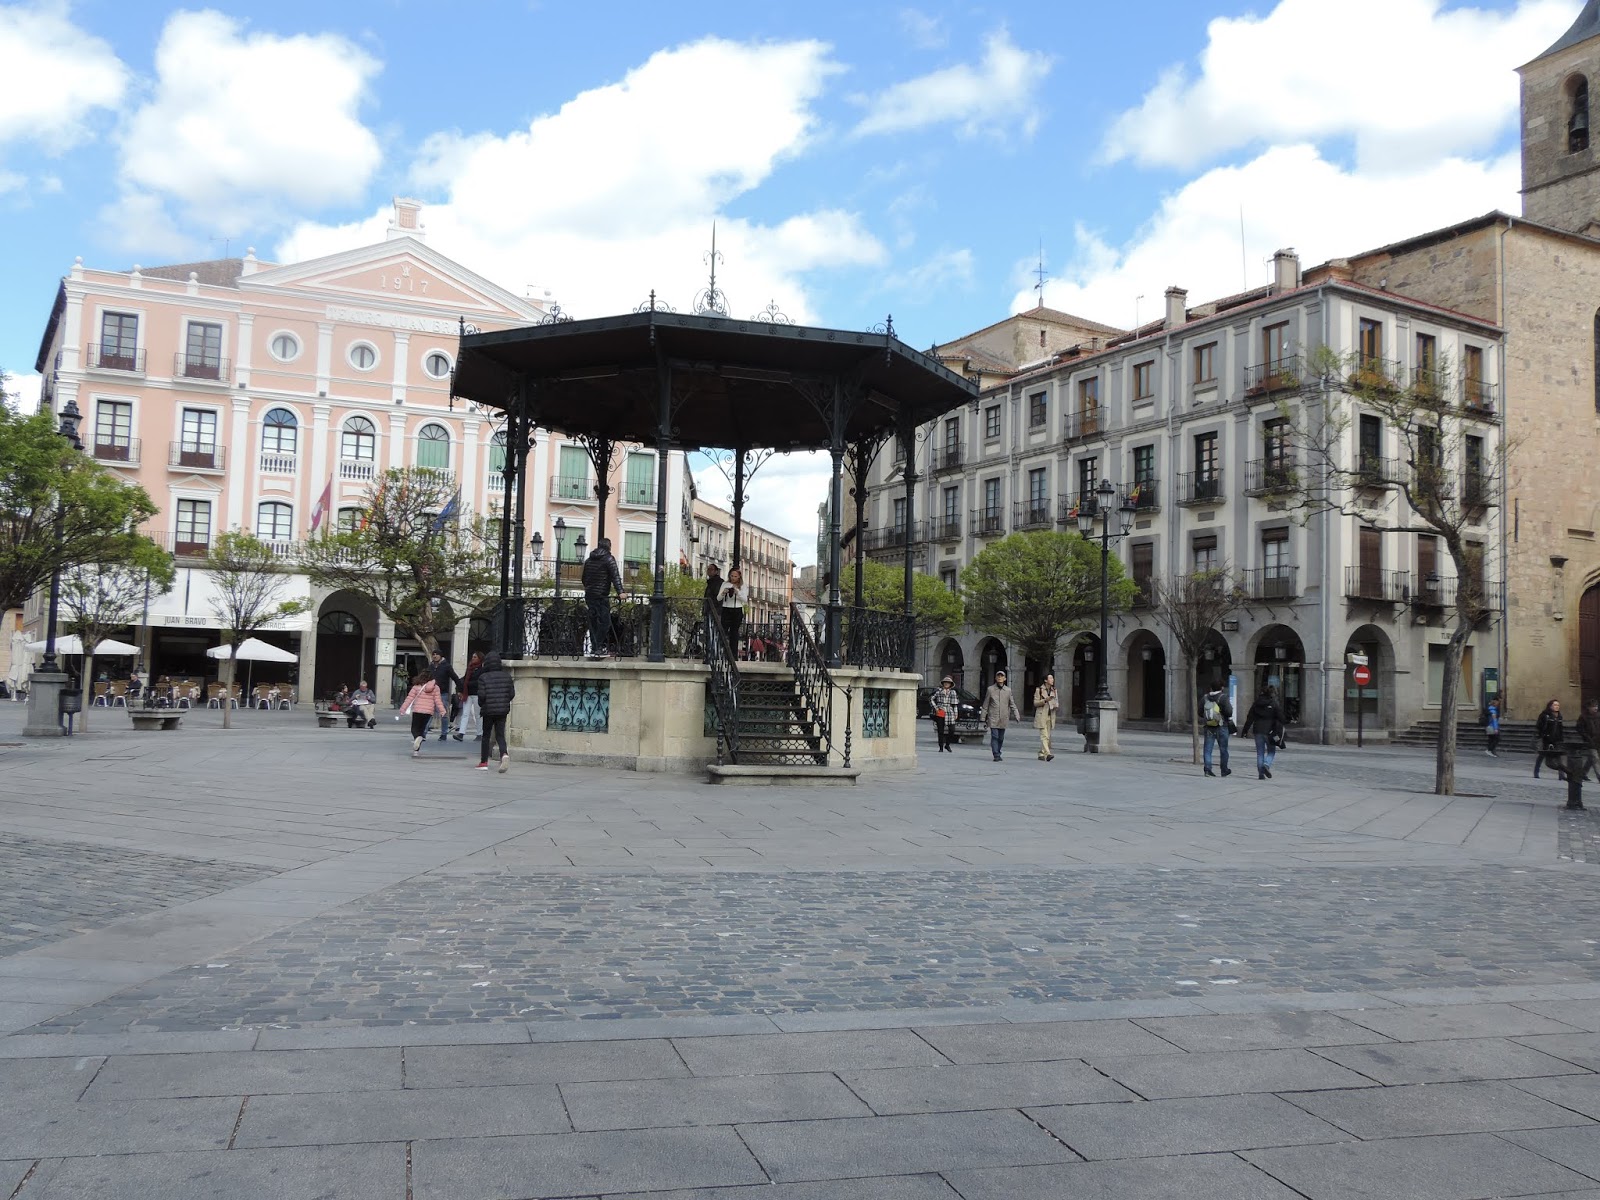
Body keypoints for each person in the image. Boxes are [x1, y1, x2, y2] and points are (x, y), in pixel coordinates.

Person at [580, 537, 625, 659]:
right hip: (601, 596)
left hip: (589, 595)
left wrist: (589, 588)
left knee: (593, 623)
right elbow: (615, 576)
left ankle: (595, 648)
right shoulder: (609, 559)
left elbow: (584, 578)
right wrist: (620, 592)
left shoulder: (589, 560)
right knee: (605, 622)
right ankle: (597, 647)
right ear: (609, 546)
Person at [474, 651, 516, 773]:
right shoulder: (507, 676)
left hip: (488, 710)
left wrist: (482, 704)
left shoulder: (483, 677)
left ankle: (483, 762)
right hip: (502, 710)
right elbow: (512, 694)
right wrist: (504, 702)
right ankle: (504, 754)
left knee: (486, 735)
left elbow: (482, 695)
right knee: (500, 735)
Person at [1240, 686, 1286, 780]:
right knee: (1271, 751)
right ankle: (1266, 764)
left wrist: (1245, 731)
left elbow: (1250, 717)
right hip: (1270, 731)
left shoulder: (1256, 703)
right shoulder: (1274, 703)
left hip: (1258, 730)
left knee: (1260, 753)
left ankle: (1261, 774)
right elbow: (1281, 718)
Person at [401, 671, 447, 758]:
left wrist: (403, 709)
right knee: (422, 729)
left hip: (417, 711)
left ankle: (417, 739)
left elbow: (409, 698)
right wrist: (442, 711)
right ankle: (417, 747)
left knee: (414, 729)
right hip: (428, 712)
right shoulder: (435, 687)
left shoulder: (416, 686)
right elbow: (438, 700)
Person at [981, 669, 1021, 762]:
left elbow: (1012, 703)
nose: (1000, 678)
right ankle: (996, 754)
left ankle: (998, 751)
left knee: (1001, 737)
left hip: (1004, 717)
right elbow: (986, 704)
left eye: (1001, 676)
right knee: (995, 736)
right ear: (995, 678)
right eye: (998, 676)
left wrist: (1016, 714)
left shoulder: (1008, 690)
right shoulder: (990, 689)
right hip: (993, 717)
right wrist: (983, 717)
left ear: (1005, 679)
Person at [1201, 682, 1234, 777]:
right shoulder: (1223, 697)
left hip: (1209, 726)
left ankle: (1207, 769)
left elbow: (1200, 711)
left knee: (1207, 749)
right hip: (1222, 726)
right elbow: (1229, 712)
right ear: (1222, 688)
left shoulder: (1205, 698)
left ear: (1211, 688)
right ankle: (1224, 770)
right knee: (1223, 749)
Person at [428, 651, 460, 742]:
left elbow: (455, 677)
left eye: (436, 654)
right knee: (428, 712)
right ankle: (423, 733)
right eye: (433, 654)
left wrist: (460, 689)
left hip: (442, 693)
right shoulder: (431, 666)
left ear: (441, 656)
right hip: (431, 692)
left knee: (443, 714)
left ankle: (444, 734)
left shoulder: (446, 666)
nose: (434, 656)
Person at [1535, 698, 1568, 781]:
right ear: (1550, 706)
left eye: (1558, 705)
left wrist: (1561, 738)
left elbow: (1560, 728)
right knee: (1542, 755)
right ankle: (1536, 771)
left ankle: (1561, 775)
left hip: (1557, 739)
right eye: (1555, 705)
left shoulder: (1559, 716)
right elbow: (1539, 726)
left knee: (1559, 757)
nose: (1557, 706)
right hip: (1546, 739)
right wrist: (1543, 735)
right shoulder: (1545, 715)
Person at [717, 566, 748, 651]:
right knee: (723, 631)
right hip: (726, 608)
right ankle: (721, 650)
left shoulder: (743, 586)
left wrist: (737, 592)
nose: (733, 578)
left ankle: (733, 653)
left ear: (739, 577)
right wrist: (723, 593)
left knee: (734, 632)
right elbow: (718, 598)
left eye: (735, 576)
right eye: (732, 576)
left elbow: (745, 599)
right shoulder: (725, 584)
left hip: (737, 609)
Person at [454, 652, 484, 741]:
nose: (473, 658)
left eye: (475, 657)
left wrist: (468, 684)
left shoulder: (482, 669)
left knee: (478, 714)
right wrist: (460, 688)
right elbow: (465, 678)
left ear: (479, 658)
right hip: (468, 693)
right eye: (472, 657)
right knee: (465, 713)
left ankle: (479, 733)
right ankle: (461, 733)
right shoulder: (470, 668)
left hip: (476, 693)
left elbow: (479, 681)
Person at [1033, 673, 1060, 762]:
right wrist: (1045, 700)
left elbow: (1056, 701)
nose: (1052, 680)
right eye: (1050, 678)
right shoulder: (1039, 690)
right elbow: (1035, 703)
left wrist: (1055, 705)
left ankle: (1041, 753)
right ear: (1045, 680)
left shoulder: (1054, 690)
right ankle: (1048, 754)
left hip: (1050, 715)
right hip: (1042, 715)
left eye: (1052, 678)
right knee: (1044, 735)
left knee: (1047, 736)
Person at [931, 675, 960, 753]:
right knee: (940, 731)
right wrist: (936, 708)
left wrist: (956, 713)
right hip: (940, 712)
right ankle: (941, 747)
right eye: (945, 682)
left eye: (948, 683)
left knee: (952, 730)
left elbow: (955, 704)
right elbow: (931, 699)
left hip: (950, 712)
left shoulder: (953, 692)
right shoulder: (938, 691)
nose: (946, 684)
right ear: (943, 683)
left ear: (951, 684)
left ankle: (947, 744)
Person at [1579, 698, 1600, 786]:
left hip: (1598, 740)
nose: (1595, 708)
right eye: (1593, 706)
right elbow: (1580, 729)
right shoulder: (1583, 717)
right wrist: (1587, 737)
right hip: (1590, 741)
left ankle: (1583, 773)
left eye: (1596, 706)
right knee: (1595, 758)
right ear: (1588, 707)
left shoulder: (1598, 716)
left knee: (1591, 759)